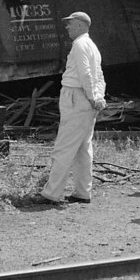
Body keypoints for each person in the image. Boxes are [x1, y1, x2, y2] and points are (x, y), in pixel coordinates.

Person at [37, 11, 107, 206]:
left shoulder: (79, 45)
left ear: (80, 25)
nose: (67, 27)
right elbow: (99, 75)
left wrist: (93, 97)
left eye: (70, 23)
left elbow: (85, 74)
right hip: (85, 98)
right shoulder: (92, 46)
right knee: (83, 148)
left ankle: (52, 193)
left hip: (76, 96)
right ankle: (83, 192)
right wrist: (98, 96)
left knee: (64, 147)